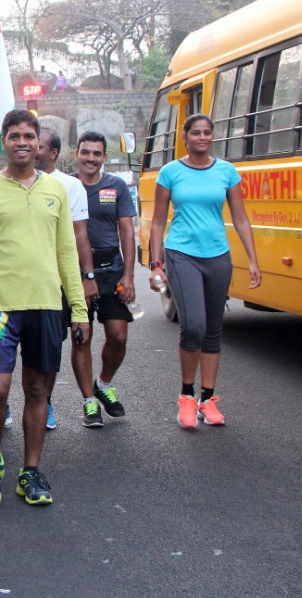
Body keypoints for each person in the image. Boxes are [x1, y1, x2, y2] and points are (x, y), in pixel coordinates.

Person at [0, 109, 89, 508]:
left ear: (40, 143)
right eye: (14, 135)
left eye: (29, 136)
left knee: (39, 390)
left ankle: (30, 472)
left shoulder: (56, 190)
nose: (22, 141)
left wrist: (79, 308)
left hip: (46, 308)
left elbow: (67, 252)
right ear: (3, 141)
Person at [147, 114, 261, 428]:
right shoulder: (170, 172)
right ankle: (186, 395)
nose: (202, 137)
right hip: (182, 253)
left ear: (212, 137)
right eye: (196, 133)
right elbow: (158, 221)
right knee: (193, 326)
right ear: (185, 137)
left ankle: (207, 400)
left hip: (218, 256)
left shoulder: (227, 171)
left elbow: (240, 218)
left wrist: (252, 259)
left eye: (207, 133)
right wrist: (156, 264)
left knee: (213, 330)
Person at [71, 132, 138, 428]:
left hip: (112, 270)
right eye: (85, 152)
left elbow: (127, 231)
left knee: (118, 336)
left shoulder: (116, 186)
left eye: (96, 154)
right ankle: (89, 402)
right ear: (76, 154)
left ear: (103, 157)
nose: (90, 158)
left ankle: (102, 383)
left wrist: (129, 275)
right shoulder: (66, 186)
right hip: (75, 272)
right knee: (81, 336)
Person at [34, 128, 95, 430]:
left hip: (60, 281)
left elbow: (80, 234)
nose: (33, 149)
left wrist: (87, 276)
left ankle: (45, 402)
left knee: (54, 344)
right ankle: (31, 402)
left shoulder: (70, 186)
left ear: (54, 153)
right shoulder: (10, 183)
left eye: (40, 145)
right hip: (26, 281)